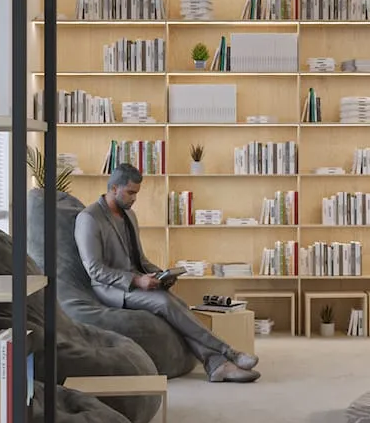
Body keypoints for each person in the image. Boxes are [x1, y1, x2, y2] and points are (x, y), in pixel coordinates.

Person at [75, 163, 260, 383]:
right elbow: (95, 270)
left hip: (136, 280)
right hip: (111, 289)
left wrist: (160, 274)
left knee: (178, 304)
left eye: (137, 193)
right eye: (131, 192)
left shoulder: (129, 216)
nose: (134, 198)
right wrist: (136, 280)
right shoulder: (89, 218)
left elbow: (140, 259)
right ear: (114, 188)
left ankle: (216, 366)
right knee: (165, 303)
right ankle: (229, 352)